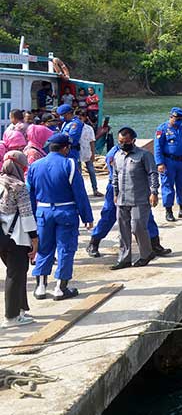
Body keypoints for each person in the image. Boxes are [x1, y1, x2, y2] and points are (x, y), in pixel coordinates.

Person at [28, 133, 94, 301]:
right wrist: (87, 216)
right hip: (65, 212)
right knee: (65, 249)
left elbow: (30, 195)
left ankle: (40, 287)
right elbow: (79, 193)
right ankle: (60, 288)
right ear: (66, 148)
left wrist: (30, 219)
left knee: (43, 248)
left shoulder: (35, 166)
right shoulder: (69, 164)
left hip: (43, 212)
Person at [86, 143, 169, 258]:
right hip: (118, 189)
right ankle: (94, 242)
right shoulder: (113, 154)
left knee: (146, 217)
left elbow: (150, 173)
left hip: (137, 188)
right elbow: (115, 174)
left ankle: (155, 244)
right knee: (109, 215)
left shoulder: (141, 153)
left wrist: (152, 191)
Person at [110, 128, 161, 270]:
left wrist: (154, 192)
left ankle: (146, 254)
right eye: (120, 141)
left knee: (138, 227)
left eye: (125, 142)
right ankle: (124, 258)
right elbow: (115, 176)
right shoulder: (117, 156)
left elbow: (153, 174)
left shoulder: (144, 155)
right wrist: (115, 192)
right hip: (122, 198)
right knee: (123, 229)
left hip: (139, 198)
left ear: (133, 140)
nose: (122, 144)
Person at [0, 151, 38, 328]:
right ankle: (12, 316)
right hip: (16, 238)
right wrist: (35, 239)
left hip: (2, 237)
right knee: (15, 276)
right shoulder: (19, 187)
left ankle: (21, 308)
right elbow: (27, 216)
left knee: (16, 274)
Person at [154, 107, 182, 222]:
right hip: (169, 161)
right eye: (176, 119)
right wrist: (160, 163)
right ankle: (168, 211)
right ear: (171, 117)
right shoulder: (162, 129)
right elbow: (157, 147)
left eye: (181, 119)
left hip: (181, 162)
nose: (179, 121)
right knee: (168, 186)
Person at [76, 109, 102, 197]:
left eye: (81, 117)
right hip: (77, 153)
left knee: (91, 171)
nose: (79, 119)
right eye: (78, 117)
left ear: (85, 118)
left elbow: (92, 142)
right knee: (79, 173)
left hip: (87, 151)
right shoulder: (73, 128)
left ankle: (95, 189)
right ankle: (80, 191)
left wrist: (93, 154)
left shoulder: (89, 128)